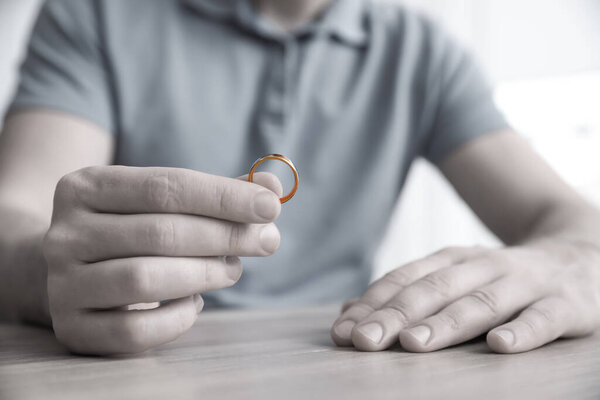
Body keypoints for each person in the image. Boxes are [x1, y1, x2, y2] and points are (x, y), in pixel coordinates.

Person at [0, 0, 598, 356]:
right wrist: (46, 270)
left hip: (340, 358)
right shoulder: (93, 14)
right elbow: (12, 218)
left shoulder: (421, 52)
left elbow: (569, 220)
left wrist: (568, 260)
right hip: (142, 368)